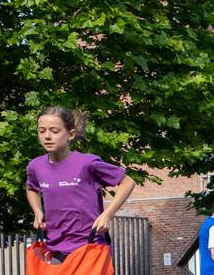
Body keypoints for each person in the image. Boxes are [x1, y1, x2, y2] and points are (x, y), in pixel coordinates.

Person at [26, 107, 137, 261]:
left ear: (70, 134)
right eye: (41, 130)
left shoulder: (87, 163)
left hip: (90, 247)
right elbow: (31, 187)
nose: (47, 136)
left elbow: (127, 182)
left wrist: (107, 215)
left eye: (54, 131)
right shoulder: (35, 166)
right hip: (55, 249)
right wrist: (38, 211)